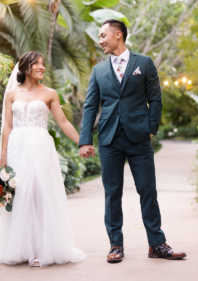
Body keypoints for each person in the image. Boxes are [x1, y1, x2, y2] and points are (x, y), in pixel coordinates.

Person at [0, 51, 86, 268]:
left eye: (43, 64)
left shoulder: (50, 93)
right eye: (37, 64)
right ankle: (20, 247)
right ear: (25, 68)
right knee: (18, 196)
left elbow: (63, 122)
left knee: (39, 195)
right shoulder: (12, 94)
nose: (42, 67)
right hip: (17, 147)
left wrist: (82, 142)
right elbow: (7, 126)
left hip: (40, 148)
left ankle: (41, 250)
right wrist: (2, 157)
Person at [78, 19, 187, 263]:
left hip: (138, 138)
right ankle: (115, 245)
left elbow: (155, 98)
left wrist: (151, 127)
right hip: (109, 138)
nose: (100, 40)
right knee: (112, 193)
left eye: (103, 35)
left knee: (148, 190)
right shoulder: (98, 71)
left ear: (119, 35)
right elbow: (90, 107)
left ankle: (157, 244)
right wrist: (85, 140)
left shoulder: (144, 63)